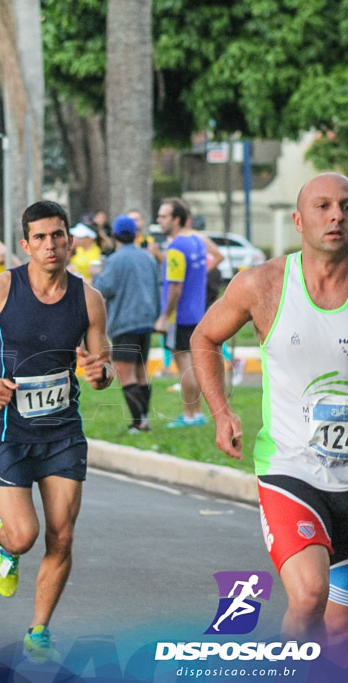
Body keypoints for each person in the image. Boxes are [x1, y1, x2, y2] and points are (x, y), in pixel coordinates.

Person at [0, 199, 113, 663]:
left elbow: (101, 371)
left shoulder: (88, 298)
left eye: (58, 235)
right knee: (26, 535)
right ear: (25, 244)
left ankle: (38, 629)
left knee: (61, 536)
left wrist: (98, 372)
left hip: (63, 431)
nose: (50, 245)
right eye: (40, 237)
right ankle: (6, 544)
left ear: (70, 241)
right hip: (10, 431)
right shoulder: (2, 288)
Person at [192, 172, 348, 649]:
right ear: (299, 221)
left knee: (337, 633)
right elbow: (204, 338)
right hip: (292, 470)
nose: (337, 215)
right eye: (323, 206)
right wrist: (221, 412)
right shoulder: (263, 285)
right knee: (308, 598)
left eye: (345, 205)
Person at [92, 215, 159, 433]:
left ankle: (138, 422)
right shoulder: (148, 258)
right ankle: (144, 418)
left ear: (114, 235)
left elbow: (105, 289)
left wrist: (96, 276)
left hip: (124, 323)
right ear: (136, 235)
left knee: (125, 373)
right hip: (146, 321)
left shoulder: (115, 260)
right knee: (141, 372)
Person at [154, 197, 208, 428]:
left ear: (176, 219)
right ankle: (197, 413)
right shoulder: (197, 241)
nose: (159, 220)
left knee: (183, 364)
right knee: (193, 364)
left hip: (179, 315)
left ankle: (189, 416)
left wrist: (165, 315)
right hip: (196, 313)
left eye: (164, 216)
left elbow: (175, 285)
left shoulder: (176, 247)